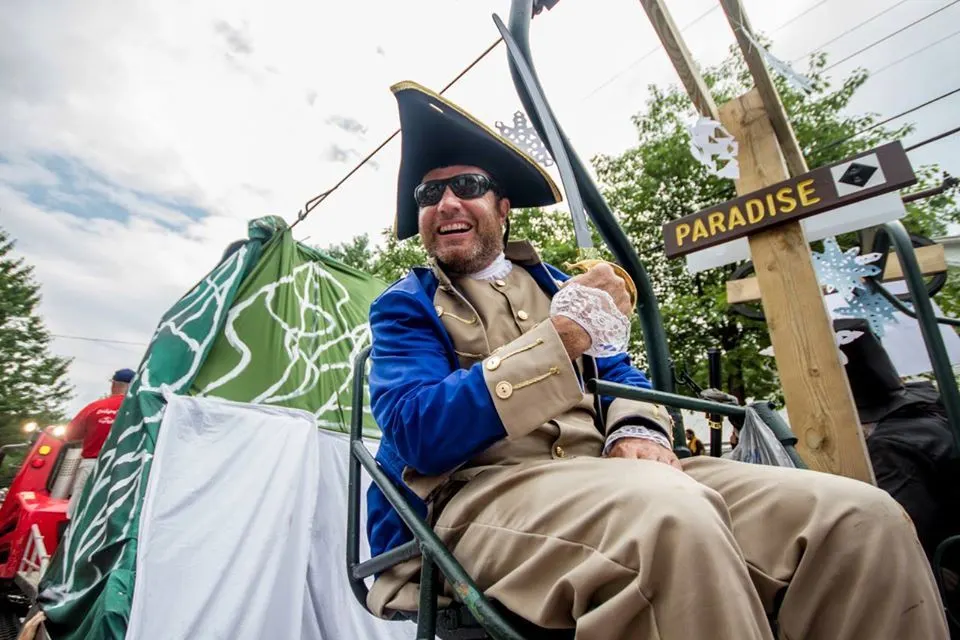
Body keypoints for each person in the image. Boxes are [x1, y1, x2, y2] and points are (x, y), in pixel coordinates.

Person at [364, 81, 948, 639]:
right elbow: (418, 434)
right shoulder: (405, 306)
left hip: (616, 479)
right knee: (669, 519)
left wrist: (639, 428)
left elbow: (622, 376)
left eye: (465, 184)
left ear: (502, 206)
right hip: (480, 498)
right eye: (427, 193)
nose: (445, 202)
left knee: (857, 518)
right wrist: (560, 339)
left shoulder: (561, 284)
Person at [65, 368, 135, 519]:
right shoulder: (139, 409)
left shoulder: (95, 407)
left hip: (92, 465)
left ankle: (70, 537)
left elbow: (69, 436)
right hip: (127, 468)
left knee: (79, 510)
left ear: (113, 384)